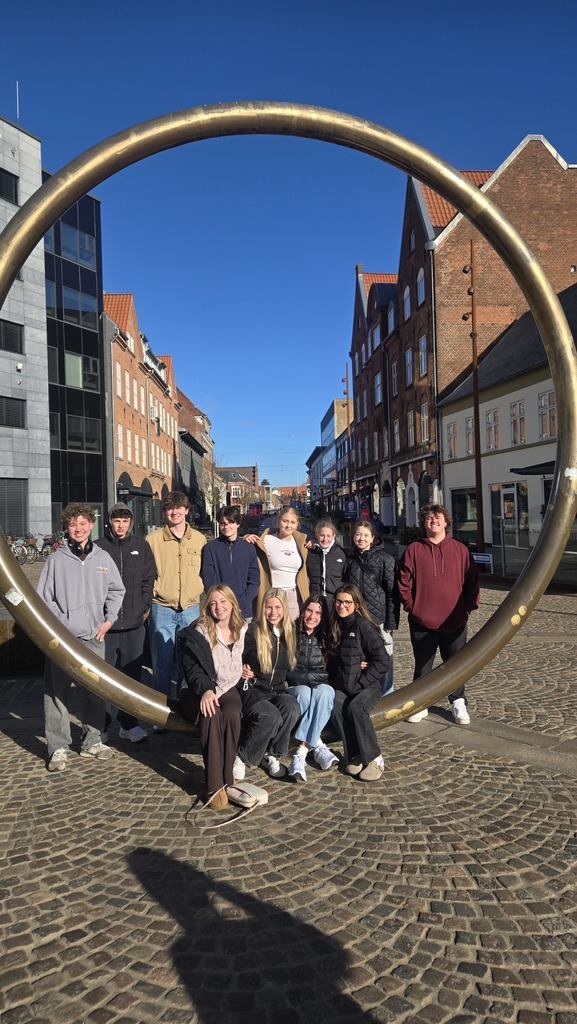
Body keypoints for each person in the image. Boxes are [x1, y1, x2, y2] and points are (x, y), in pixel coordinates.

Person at [37, 503, 125, 772]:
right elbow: (44, 598)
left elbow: (116, 590)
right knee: (56, 693)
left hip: (94, 638)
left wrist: (109, 619)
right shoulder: (56, 560)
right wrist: (62, 624)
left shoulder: (102, 558)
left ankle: (93, 741)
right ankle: (58, 747)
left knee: (95, 691)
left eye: (83, 523)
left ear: (91, 524)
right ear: (67, 527)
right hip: (62, 640)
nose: (78, 528)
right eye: (73, 524)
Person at [397, 503, 480, 725]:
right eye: (428, 518)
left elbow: (472, 580)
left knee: (455, 664)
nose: (433, 521)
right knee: (423, 664)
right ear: (424, 523)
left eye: (437, 517)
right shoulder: (414, 549)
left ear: (446, 522)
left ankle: (458, 702)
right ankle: (420, 703)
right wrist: (412, 607)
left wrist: (468, 607)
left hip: (455, 620)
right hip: (422, 620)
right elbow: (403, 581)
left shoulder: (460, 550)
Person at [178, 585, 248, 809]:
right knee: (211, 714)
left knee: (232, 712)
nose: (219, 607)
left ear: (232, 604)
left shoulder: (243, 629)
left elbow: (255, 654)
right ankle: (214, 784)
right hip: (197, 690)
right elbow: (192, 668)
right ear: (207, 607)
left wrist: (251, 669)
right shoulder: (198, 633)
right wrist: (205, 689)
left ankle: (227, 777)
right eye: (213, 603)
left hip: (227, 688)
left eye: (223, 602)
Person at [95, 502, 157, 743]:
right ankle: (100, 726)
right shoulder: (98, 548)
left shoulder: (141, 547)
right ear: (110, 521)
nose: (120, 525)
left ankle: (129, 725)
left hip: (133, 624)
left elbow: (148, 578)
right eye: (116, 520)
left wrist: (143, 606)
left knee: (132, 677)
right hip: (105, 626)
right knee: (103, 678)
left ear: (130, 522)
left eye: (125, 521)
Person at [146, 492, 206, 716]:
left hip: (190, 608)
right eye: (170, 508)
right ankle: (160, 711)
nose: (175, 512)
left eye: (179, 507)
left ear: (187, 510)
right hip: (162, 607)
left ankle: (183, 709)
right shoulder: (152, 540)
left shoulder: (199, 540)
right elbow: (146, 573)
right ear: (165, 512)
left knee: (187, 662)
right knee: (160, 663)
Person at [236, 588, 300, 778]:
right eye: (268, 607)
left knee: (291, 707)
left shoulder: (291, 633)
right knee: (270, 716)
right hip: (253, 690)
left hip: (277, 691)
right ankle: (242, 756)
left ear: (284, 608)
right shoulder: (253, 631)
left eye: (277, 607)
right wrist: (239, 668)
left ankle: (272, 754)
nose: (273, 612)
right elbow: (234, 657)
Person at [328, 584, 389, 782]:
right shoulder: (335, 626)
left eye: (347, 602)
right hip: (345, 686)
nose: (342, 606)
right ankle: (355, 753)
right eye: (339, 601)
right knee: (336, 705)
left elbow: (383, 661)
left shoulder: (363, 626)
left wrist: (362, 680)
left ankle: (374, 757)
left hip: (367, 687)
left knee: (355, 707)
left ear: (355, 604)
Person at [286, 594, 339, 782]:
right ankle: (317, 744)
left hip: (320, 688)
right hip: (294, 688)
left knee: (325, 692)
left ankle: (300, 753)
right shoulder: (291, 631)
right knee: (304, 693)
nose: (312, 616)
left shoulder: (328, 635)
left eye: (318, 612)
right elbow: (286, 670)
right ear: (303, 610)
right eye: (309, 610)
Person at [343, 520, 398, 695]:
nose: (361, 538)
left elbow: (392, 592)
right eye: (358, 534)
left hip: (377, 617)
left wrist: (391, 621)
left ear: (373, 538)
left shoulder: (385, 559)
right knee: (361, 657)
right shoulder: (349, 559)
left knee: (383, 658)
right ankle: (364, 694)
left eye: (366, 535)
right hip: (357, 618)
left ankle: (387, 693)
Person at [245, 507, 309, 620]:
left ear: (297, 524)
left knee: (293, 631)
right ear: (279, 521)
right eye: (285, 521)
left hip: (293, 595)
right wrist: (245, 537)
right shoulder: (266, 540)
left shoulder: (301, 543)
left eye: (293, 522)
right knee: (271, 631)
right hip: (272, 594)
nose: (288, 526)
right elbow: (246, 552)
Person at [201, 505, 260, 618]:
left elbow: (254, 580)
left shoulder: (248, 549)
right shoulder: (210, 548)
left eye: (230, 523)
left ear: (238, 524)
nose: (226, 527)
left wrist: (241, 603)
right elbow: (209, 581)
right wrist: (223, 604)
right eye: (223, 523)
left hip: (243, 610)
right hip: (219, 611)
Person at [305, 519, 346, 610]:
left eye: (328, 536)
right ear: (316, 536)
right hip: (314, 600)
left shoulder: (341, 553)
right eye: (322, 535)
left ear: (334, 536)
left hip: (334, 602)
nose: (325, 539)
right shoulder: (309, 552)